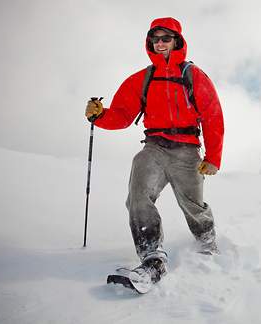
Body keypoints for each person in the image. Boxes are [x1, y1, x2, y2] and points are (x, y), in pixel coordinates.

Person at [85, 17, 224, 289]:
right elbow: (123, 115)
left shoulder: (194, 76)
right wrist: (100, 116)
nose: (160, 43)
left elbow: (212, 117)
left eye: (166, 38)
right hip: (154, 147)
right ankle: (152, 258)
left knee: (193, 206)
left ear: (177, 41)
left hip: (187, 150)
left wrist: (213, 158)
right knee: (138, 196)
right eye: (155, 39)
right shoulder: (143, 78)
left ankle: (207, 242)